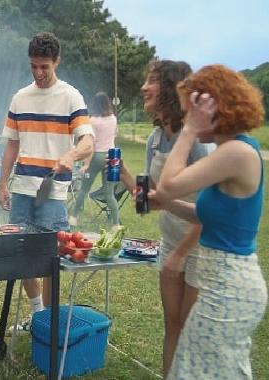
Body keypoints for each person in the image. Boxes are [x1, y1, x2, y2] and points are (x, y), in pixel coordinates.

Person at [152, 65, 267, 379]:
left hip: (230, 286)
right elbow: (204, 216)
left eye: (192, 107)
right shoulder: (228, 152)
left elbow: (168, 184)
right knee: (209, 369)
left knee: (198, 372)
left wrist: (188, 131)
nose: (187, 113)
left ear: (213, 107)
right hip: (220, 280)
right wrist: (164, 203)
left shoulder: (237, 153)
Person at [119, 60, 212, 377]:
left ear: (172, 89)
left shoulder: (199, 142)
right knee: (172, 325)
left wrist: (182, 252)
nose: (144, 87)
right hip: (171, 241)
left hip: (200, 245)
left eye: (152, 81)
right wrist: (123, 175)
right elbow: (150, 201)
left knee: (191, 330)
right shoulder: (155, 139)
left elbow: (212, 211)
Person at [0, 32, 94, 333]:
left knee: (52, 258)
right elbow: (11, 145)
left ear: (57, 62)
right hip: (22, 189)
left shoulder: (71, 97)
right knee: (22, 254)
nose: (39, 74)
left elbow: (88, 141)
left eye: (45, 67)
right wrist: (3, 183)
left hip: (52, 193)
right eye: (34, 67)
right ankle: (38, 315)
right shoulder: (20, 97)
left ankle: (50, 322)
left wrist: (72, 154)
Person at [69, 91, 120, 228]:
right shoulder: (113, 119)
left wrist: (85, 165)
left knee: (84, 189)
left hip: (97, 156)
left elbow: (90, 143)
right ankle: (116, 224)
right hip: (112, 156)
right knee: (110, 194)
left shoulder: (93, 121)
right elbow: (115, 134)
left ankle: (73, 216)